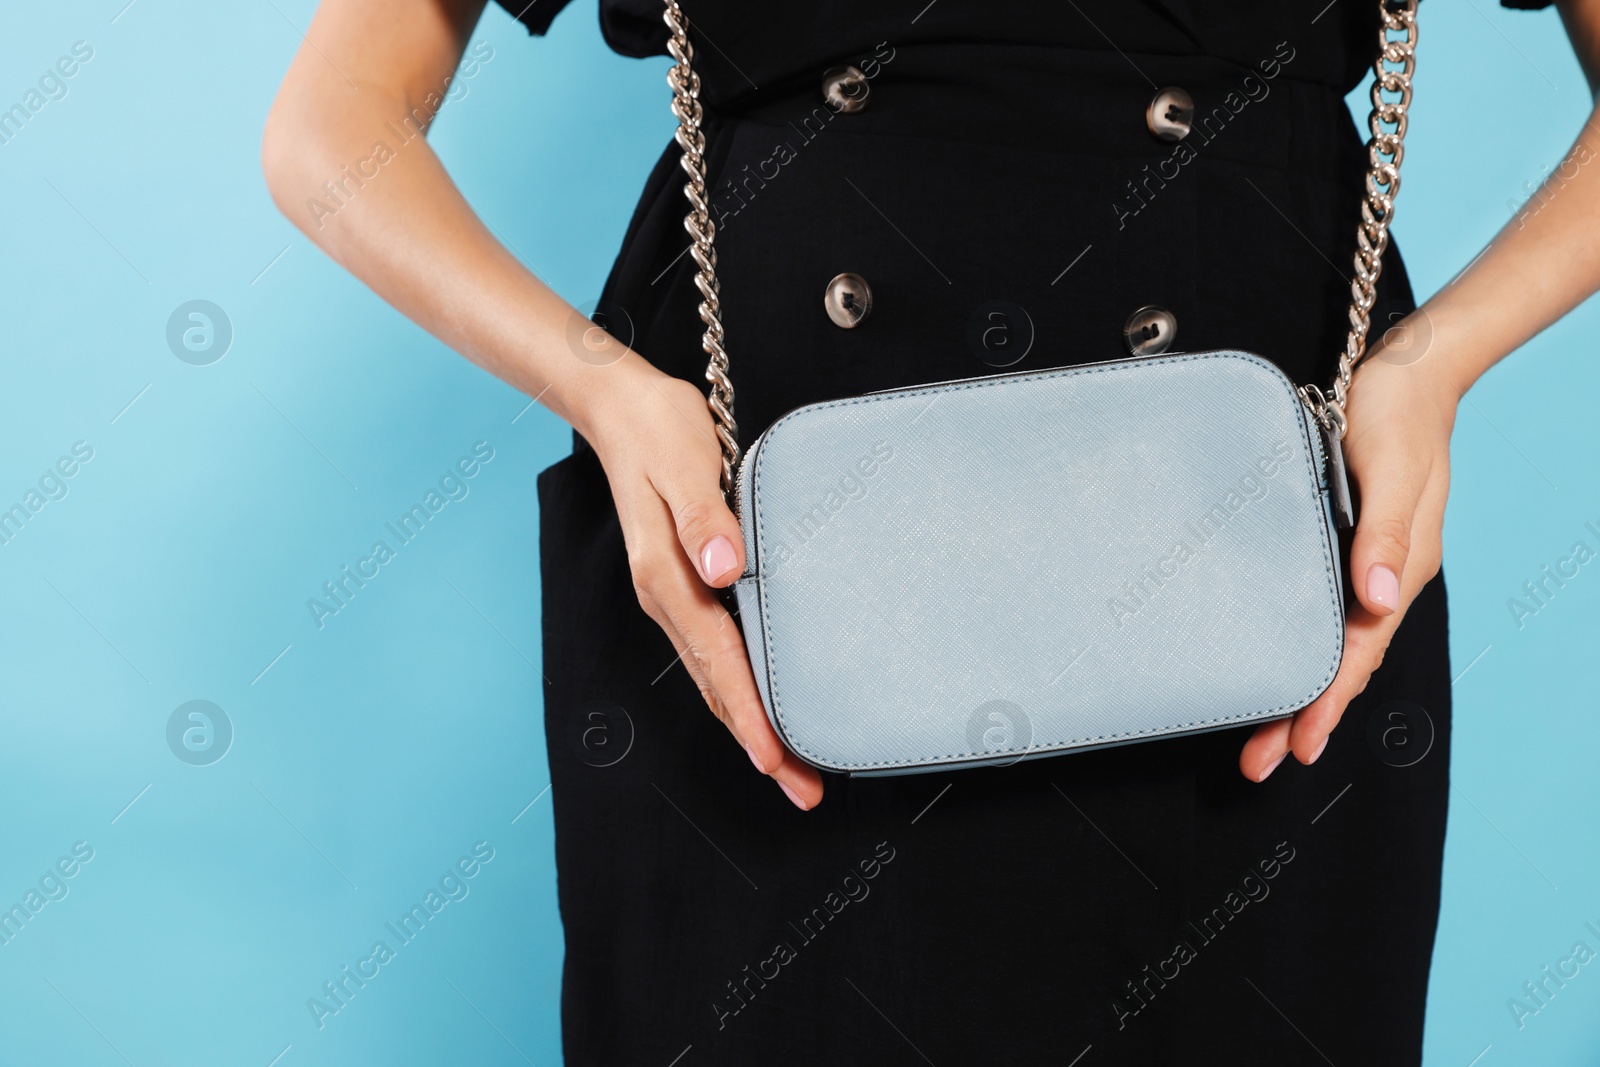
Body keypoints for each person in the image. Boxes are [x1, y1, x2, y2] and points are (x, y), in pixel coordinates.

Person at [263, 0, 1599, 1061]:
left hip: (1246, 550)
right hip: (773, 572)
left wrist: (1431, 366)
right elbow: (331, 128)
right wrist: (605, 393)